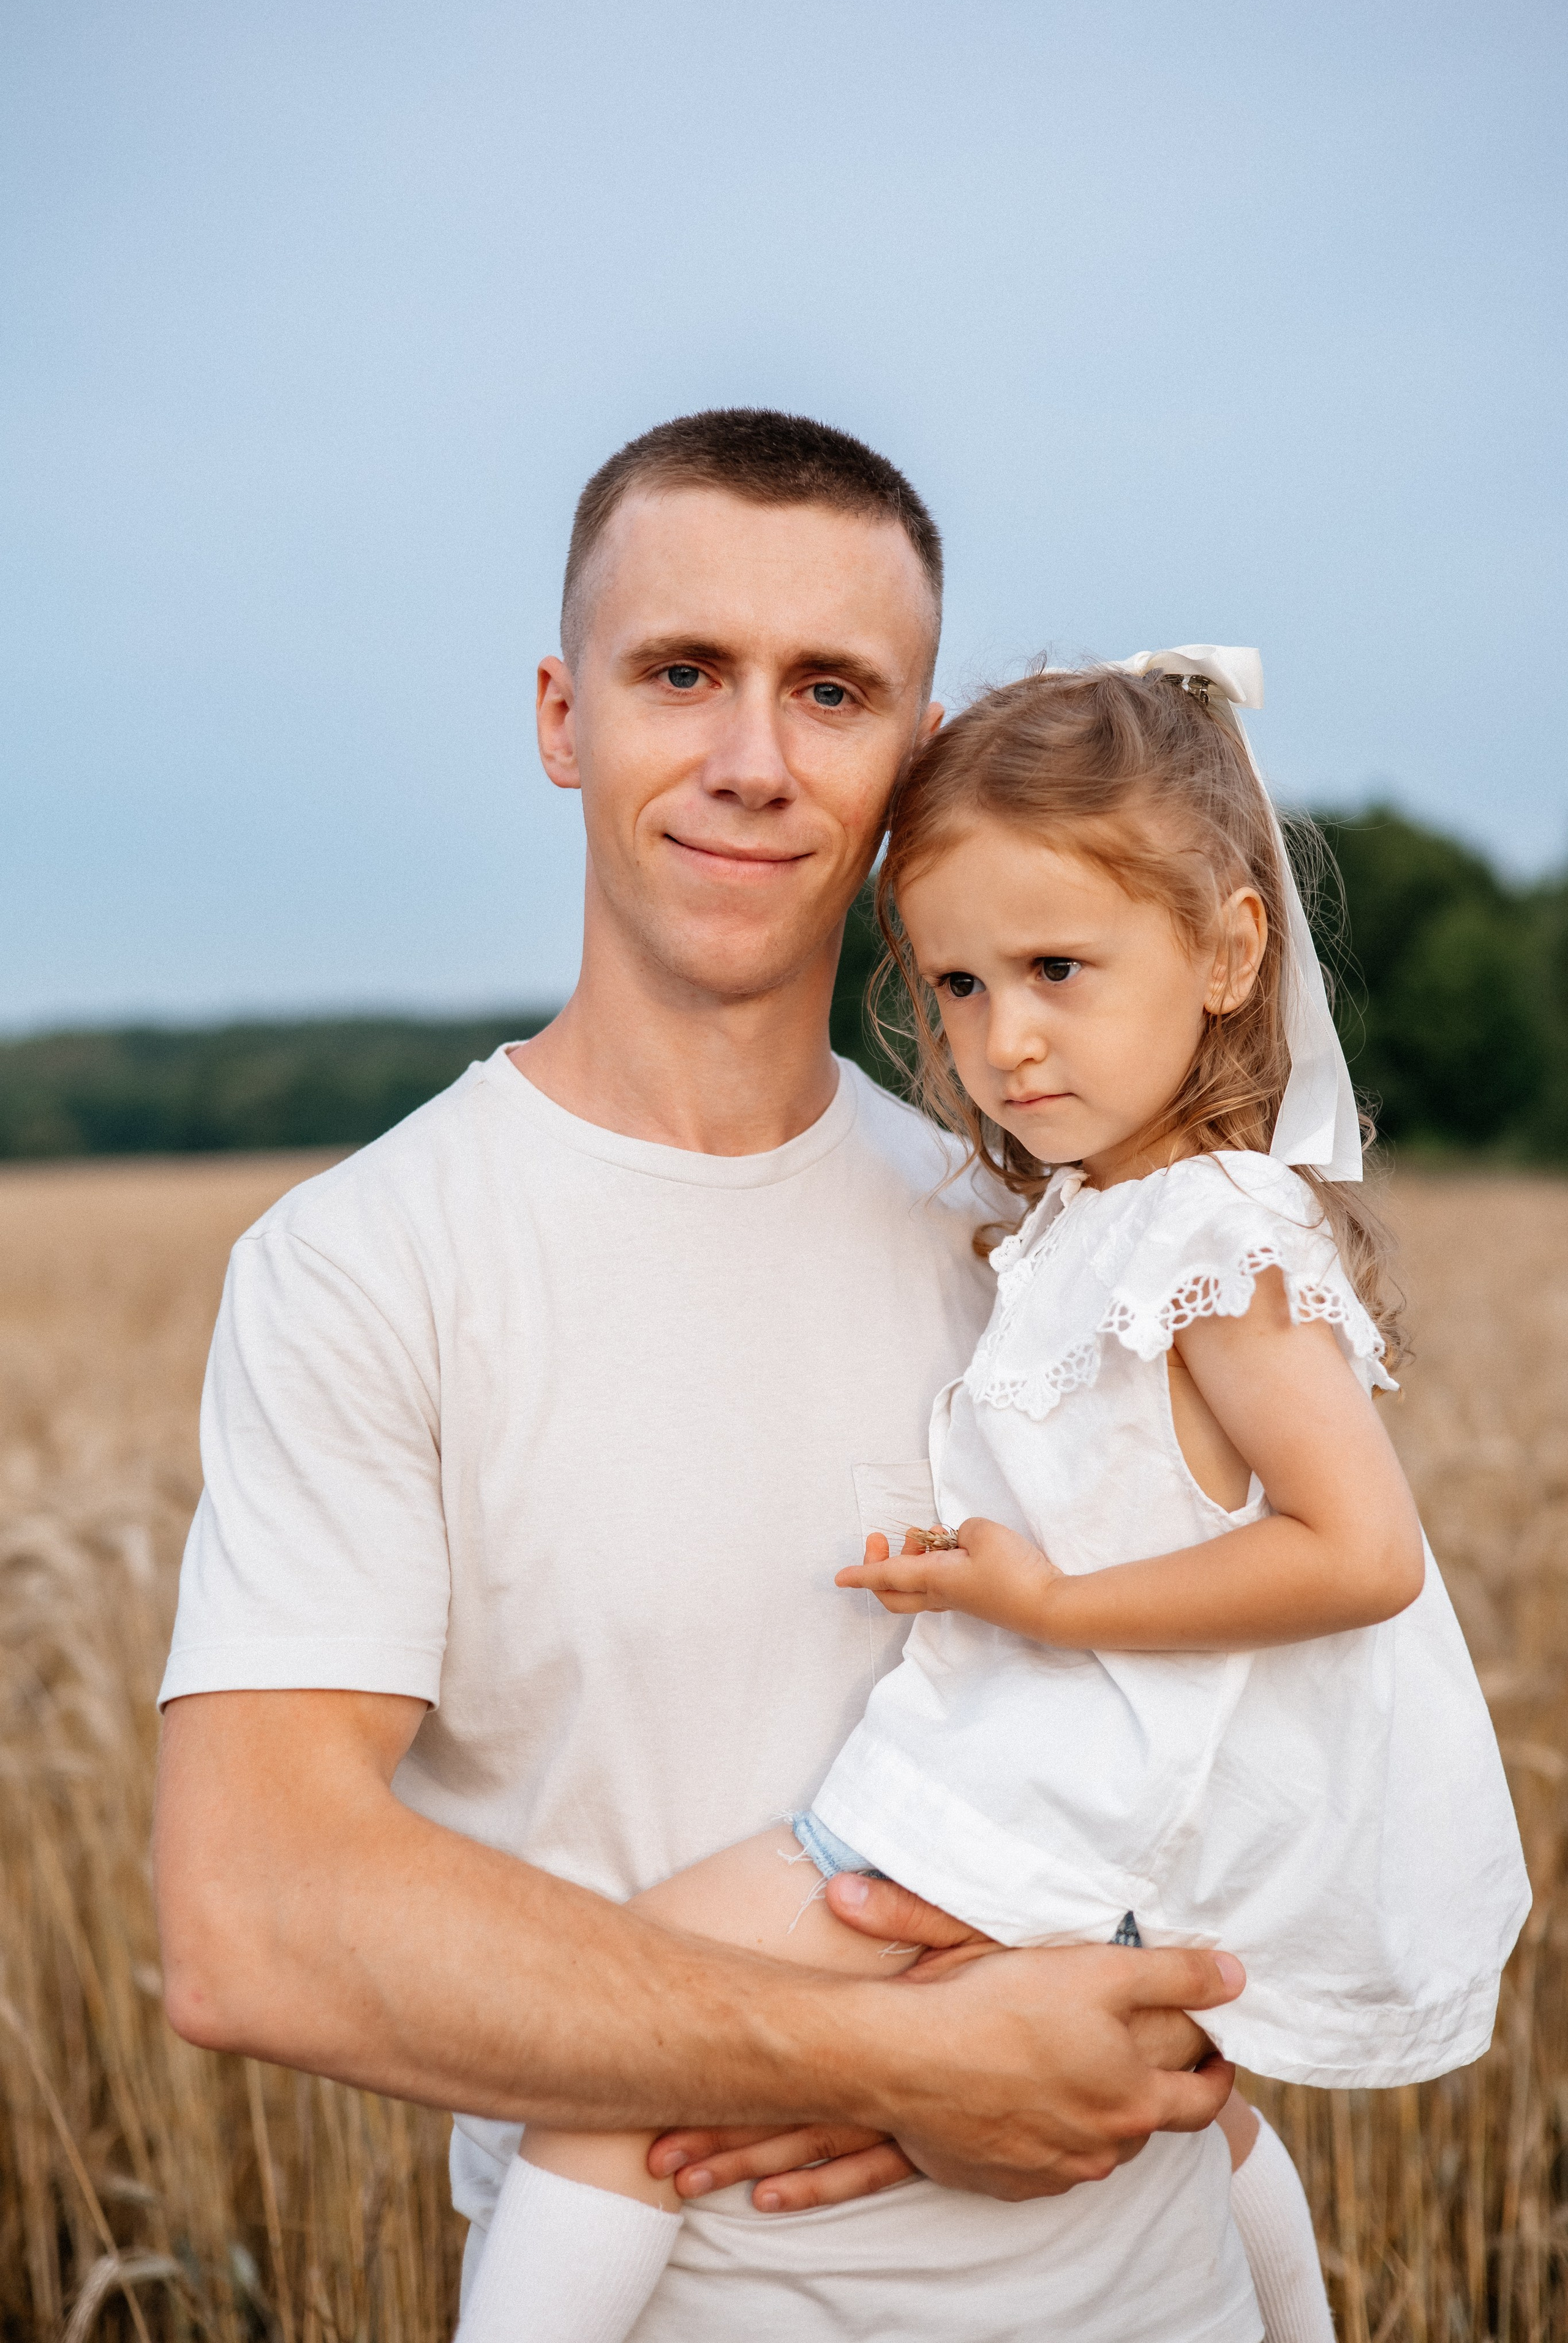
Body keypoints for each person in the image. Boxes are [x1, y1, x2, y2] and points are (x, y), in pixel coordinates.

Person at [154, 413, 1256, 2339]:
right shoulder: (365, 1266)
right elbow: (256, 1921)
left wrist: (1199, 2009)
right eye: (684, 674)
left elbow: (1265, 1719)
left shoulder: (1053, 1236)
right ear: (564, 715)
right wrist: (902, 2066)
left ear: (915, 761)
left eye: (832, 692)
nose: (753, 761)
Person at [454, 649, 1529, 2343]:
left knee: (603, 2054)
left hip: (1024, 1796)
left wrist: (1044, 1604)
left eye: (1054, 968)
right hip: (1053, 1790)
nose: (1003, 1039)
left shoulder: (1211, 1233)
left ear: (1233, 950)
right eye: (955, 985)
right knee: (1211, 2120)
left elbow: (1364, 1552)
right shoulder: (1095, 1214)